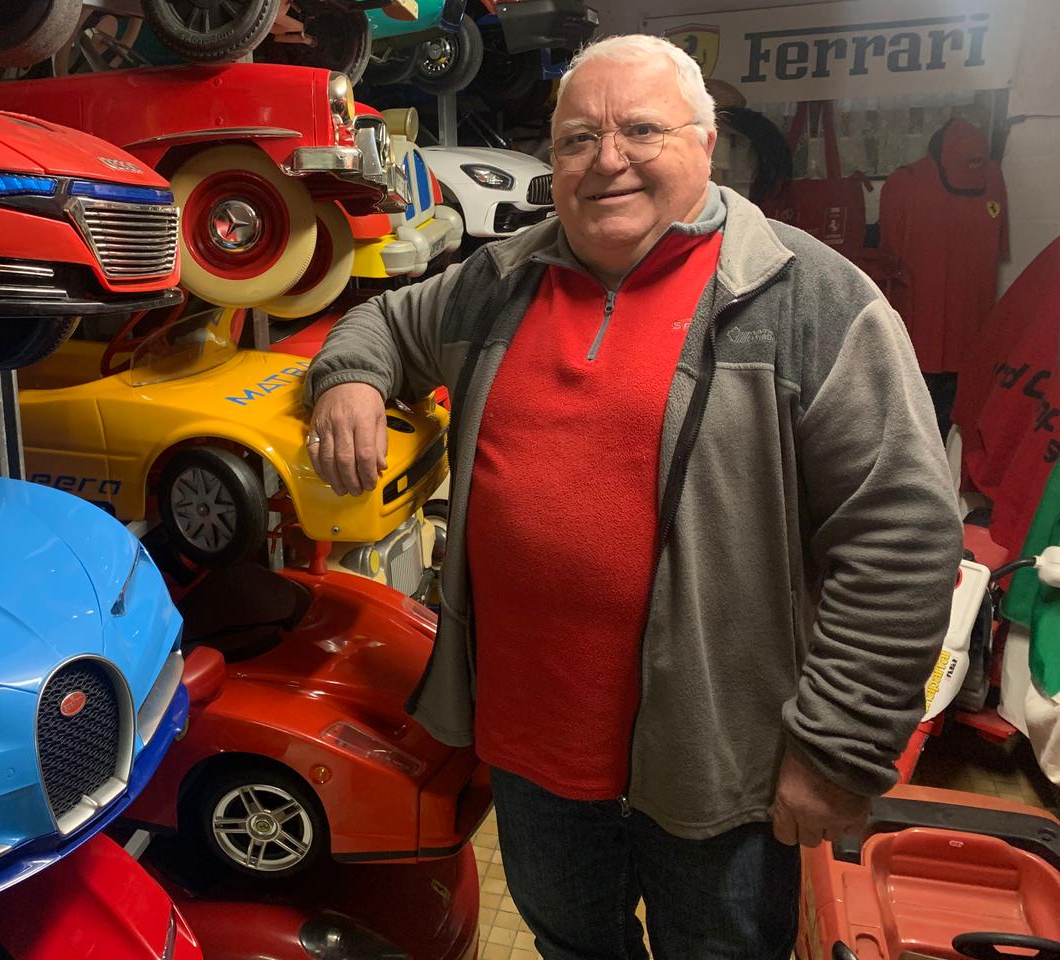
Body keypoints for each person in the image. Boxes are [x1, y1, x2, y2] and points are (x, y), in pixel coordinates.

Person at [303, 34, 960, 960]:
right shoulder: (503, 279)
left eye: (642, 130)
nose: (607, 159)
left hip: (720, 765)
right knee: (569, 944)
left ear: (707, 143)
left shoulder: (807, 298)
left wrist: (838, 747)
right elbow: (379, 319)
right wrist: (351, 381)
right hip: (532, 756)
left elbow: (903, 537)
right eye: (578, 139)